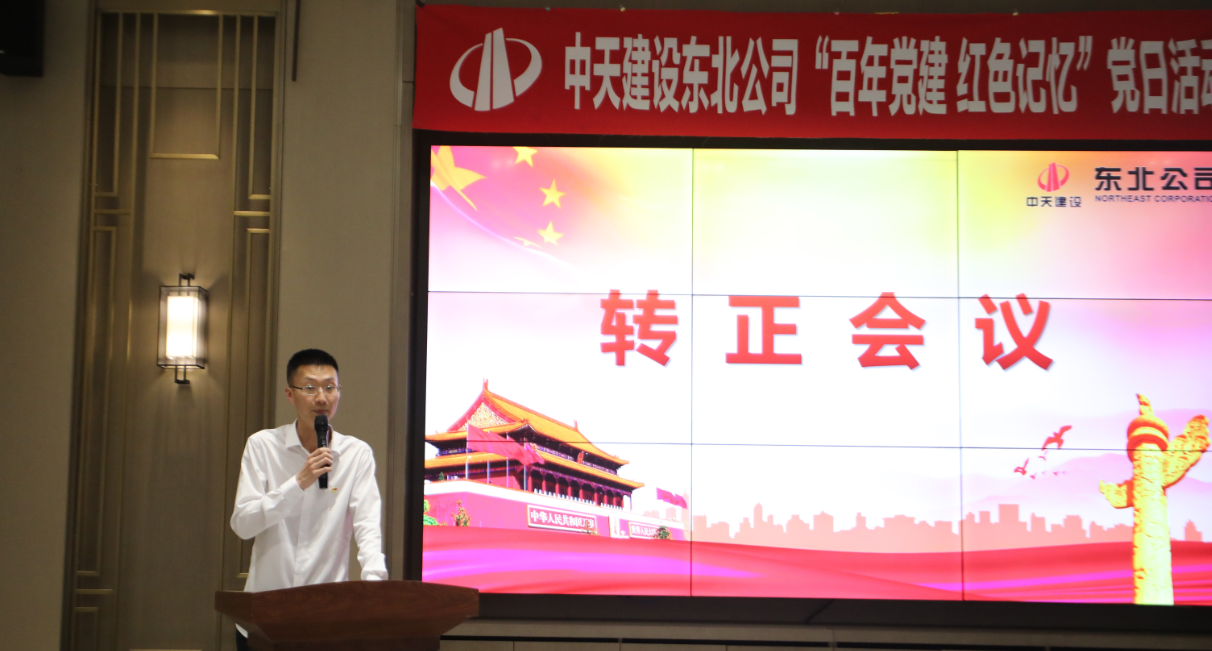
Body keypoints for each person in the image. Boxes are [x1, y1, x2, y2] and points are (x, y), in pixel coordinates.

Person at [229, 349, 388, 650]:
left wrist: (375, 591)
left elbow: (367, 527)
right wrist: (297, 483)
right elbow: (243, 524)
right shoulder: (262, 446)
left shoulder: (356, 454)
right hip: (264, 616)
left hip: (326, 618)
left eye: (330, 387)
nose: (322, 398)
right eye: (310, 387)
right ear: (290, 394)